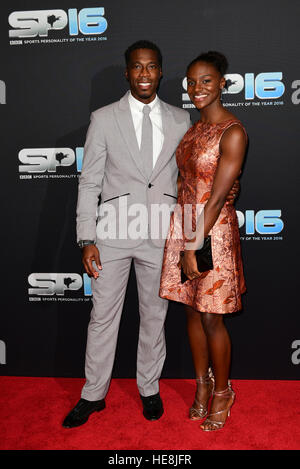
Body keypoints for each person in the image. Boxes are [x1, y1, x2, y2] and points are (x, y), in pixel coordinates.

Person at [63, 41, 238, 429]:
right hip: (112, 232)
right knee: (102, 317)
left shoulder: (182, 119)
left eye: (152, 67)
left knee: (154, 317)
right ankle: (92, 394)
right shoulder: (103, 118)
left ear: (161, 72)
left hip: (162, 234)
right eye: (137, 68)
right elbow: (89, 180)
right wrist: (85, 237)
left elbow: (196, 175)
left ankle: (148, 388)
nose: (145, 74)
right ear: (127, 73)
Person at [159, 51, 247, 431]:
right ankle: (201, 385)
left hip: (212, 231)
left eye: (207, 81)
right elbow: (184, 184)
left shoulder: (234, 131)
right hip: (185, 225)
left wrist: (193, 244)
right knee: (191, 311)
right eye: (192, 82)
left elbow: (216, 198)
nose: (197, 88)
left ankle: (223, 391)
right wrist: (179, 234)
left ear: (223, 83)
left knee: (212, 317)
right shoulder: (193, 130)